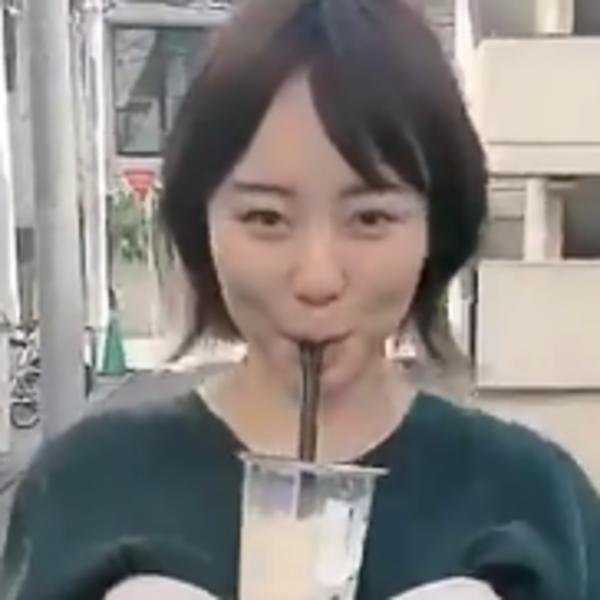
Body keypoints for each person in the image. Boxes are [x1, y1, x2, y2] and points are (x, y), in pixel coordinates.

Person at [2, 0, 599, 598]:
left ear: (436, 226)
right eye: (265, 217)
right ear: (200, 223)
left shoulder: (535, 501)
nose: (316, 279)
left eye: (370, 218)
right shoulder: (85, 488)